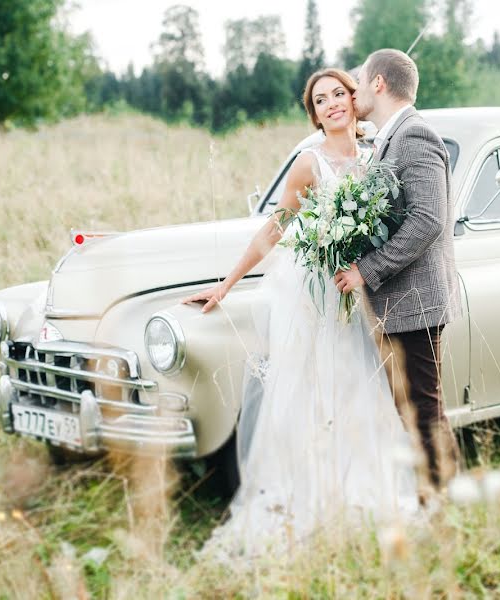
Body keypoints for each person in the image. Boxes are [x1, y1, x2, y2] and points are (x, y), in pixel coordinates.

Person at [182, 68, 418, 559]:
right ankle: (303, 502)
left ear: (354, 101)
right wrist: (226, 284)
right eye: (320, 99)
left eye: (338, 94)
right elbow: (275, 228)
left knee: (359, 390)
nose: (332, 104)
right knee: (309, 395)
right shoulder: (309, 163)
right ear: (313, 113)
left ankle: (359, 498)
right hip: (315, 297)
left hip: (358, 298)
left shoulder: (377, 158)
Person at [336, 49, 463, 493]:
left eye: (358, 79)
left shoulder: (415, 136)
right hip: (397, 302)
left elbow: (428, 220)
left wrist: (366, 270)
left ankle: (446, 506)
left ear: (379, 84)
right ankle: (424, 496)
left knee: (426, 411)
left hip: (416, 301)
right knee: (409, 408)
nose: (352, 89)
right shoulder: (389, 138)